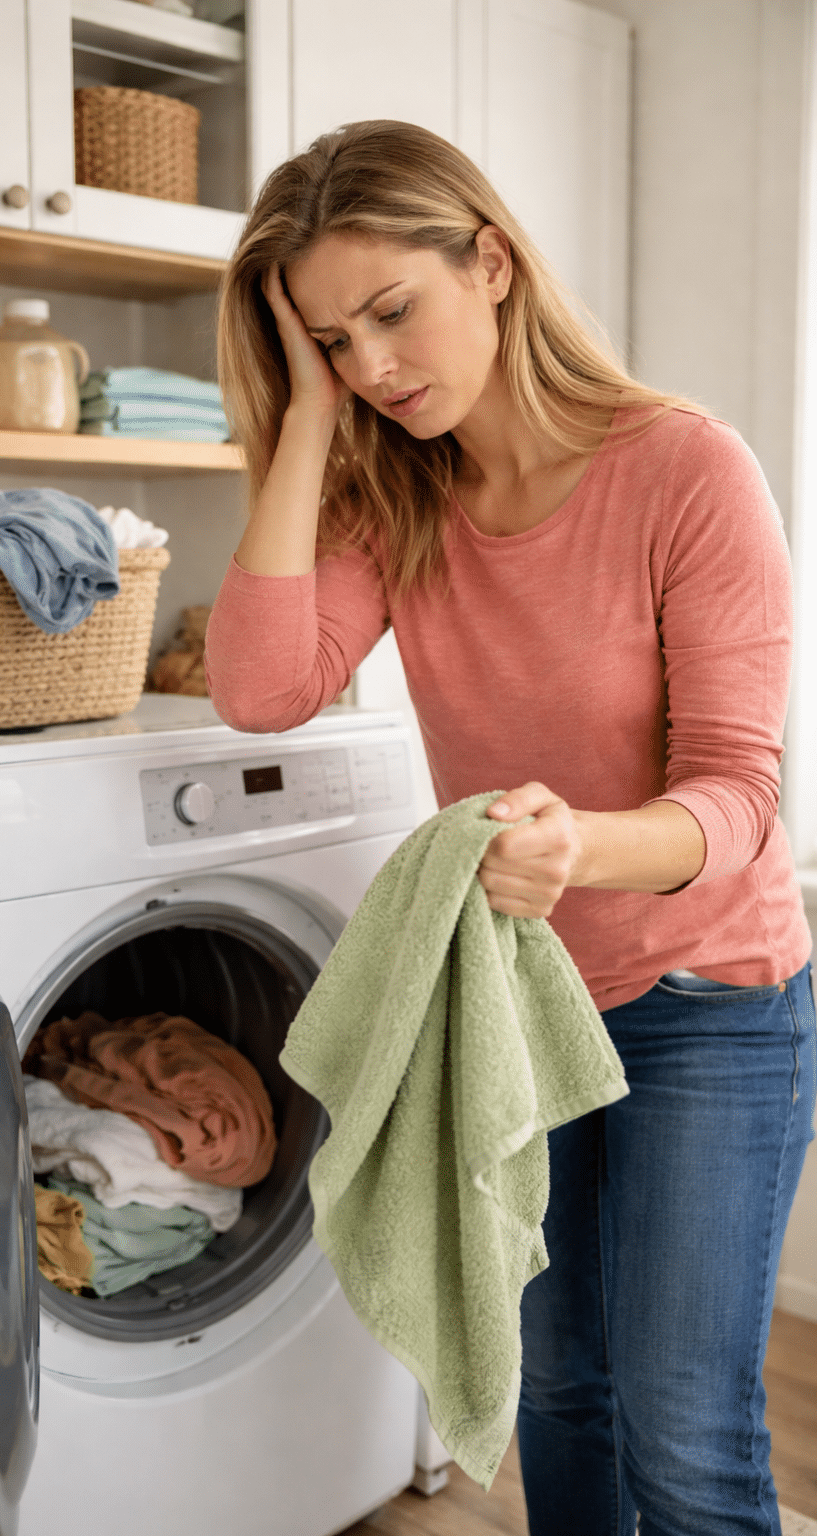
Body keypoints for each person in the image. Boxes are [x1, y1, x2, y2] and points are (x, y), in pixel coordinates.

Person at [202, 118, 816, 1536]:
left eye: (390, 311)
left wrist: (579, 847)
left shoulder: (686, 469)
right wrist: (306, 424)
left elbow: (741, 795)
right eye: (331, 341)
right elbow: (260, 689)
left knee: (684, 1431)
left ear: (489, 261)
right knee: (563, 1390)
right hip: (522, 1000)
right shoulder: (397, 499)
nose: (372, 367)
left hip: (705, 1001)